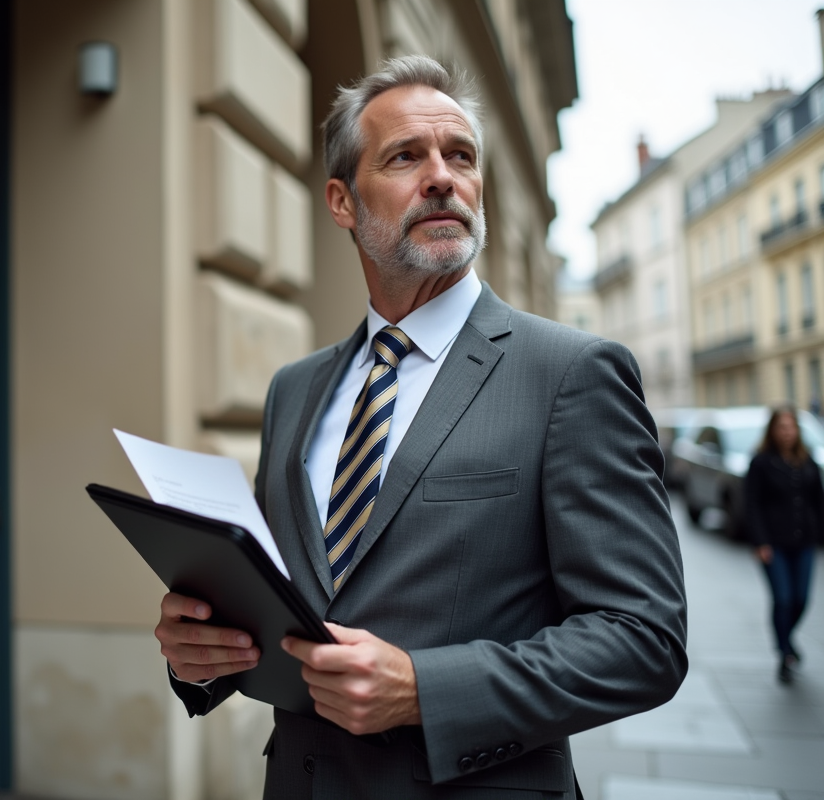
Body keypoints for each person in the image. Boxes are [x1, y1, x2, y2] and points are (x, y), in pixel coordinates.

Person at [154, 55, 687, 798]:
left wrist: (426, 690)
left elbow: (643, 641)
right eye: (406, 156)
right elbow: (284, 603)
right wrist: (198, 653)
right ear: (341, 201)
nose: (441, 176)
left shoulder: (571, 373)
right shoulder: (294, 390)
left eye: (460, 156)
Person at [745, 406, 823, 684]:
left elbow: (818, 501)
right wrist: (760, 542)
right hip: (773, 544)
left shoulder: (808, 461)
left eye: (791, 427)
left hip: (804, 542)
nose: (787, 432)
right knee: (783, 598)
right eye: (782, 427)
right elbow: (751, 504)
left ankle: (787, 639)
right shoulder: (761, 463)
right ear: (773, 431)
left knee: (801, 599)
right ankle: (784, 654)